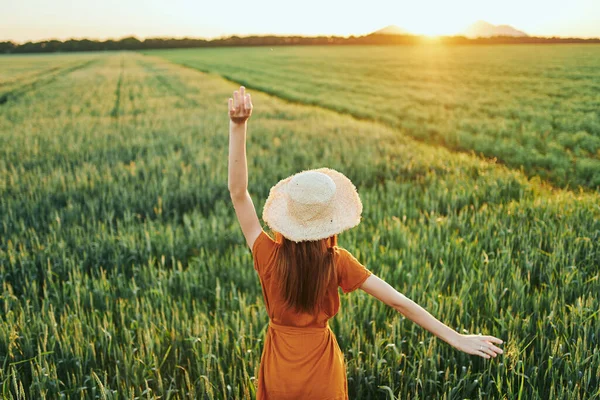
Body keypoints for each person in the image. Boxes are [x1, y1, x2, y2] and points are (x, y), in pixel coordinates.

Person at [227, 86, 503, 399]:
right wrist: (456, 337)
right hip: (321, 370)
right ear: (330, 222)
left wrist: (239, 126)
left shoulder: (267, 255)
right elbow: (398, 301)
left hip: (280, 366)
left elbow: (238, 193)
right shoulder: (338, 262)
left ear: (287, 215)